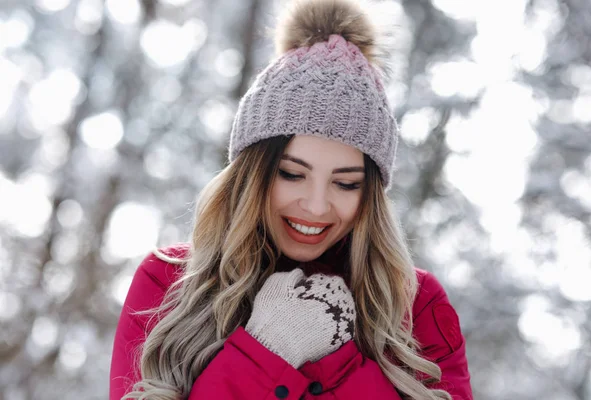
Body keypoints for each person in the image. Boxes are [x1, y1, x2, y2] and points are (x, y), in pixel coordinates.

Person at [110, 0, 473, 399]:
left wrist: (337, 360)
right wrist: (268, 351)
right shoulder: (169, 284)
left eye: (346, 184)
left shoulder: (417, 306)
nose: (317, 207)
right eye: (292, 174)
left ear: (371, 196)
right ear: (253, 174)